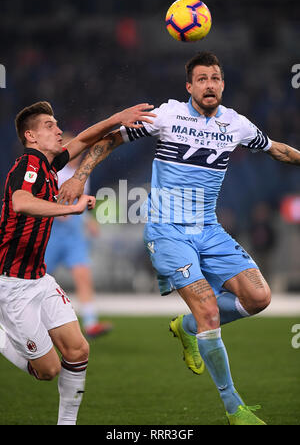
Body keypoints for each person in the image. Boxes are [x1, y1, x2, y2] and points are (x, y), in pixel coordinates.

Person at [57, 51, 300, 425]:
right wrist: (78, 174)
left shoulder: (236, 124)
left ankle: (185, 328)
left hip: (209, 229)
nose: (210, 84)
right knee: (210, 312)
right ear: (189, 86)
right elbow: (111, 140)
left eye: (215, 78)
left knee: (259, 297)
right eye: (202, 79)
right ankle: (235, 408)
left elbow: (277, 150)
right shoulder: (168, 114)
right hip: (167, 231)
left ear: (222, 84)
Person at [0, 100, 155, 425]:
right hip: (10, 284)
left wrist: (117, 118)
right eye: (49, 126)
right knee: (48, 371)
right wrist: (69, 208)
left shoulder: (48, 165)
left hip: (38, 279)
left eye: (57, 124)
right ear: (30, 136)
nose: (58, 130)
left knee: (78, 351)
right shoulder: (27, 165)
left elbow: (83, 140)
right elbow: (21, 202)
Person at [45, 143, 113, 338]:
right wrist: (59, 210)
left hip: (74, 235)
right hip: (53, 233)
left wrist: (88, 221)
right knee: (37, 278)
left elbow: (80, 202)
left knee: (83, 276)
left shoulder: (83, 174)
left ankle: (91, 324)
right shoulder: (55, 172)